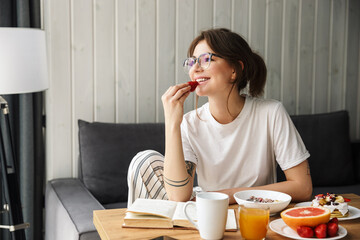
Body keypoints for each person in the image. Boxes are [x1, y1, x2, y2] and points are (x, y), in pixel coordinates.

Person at [127, 28, 312, 206]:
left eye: (206, 59)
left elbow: (302, 187)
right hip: (210, 215)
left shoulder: (271, 113)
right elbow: (178, 195)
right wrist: (172, 123)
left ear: (234, 70)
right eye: (192, 62)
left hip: (258, 214)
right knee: (143, 160)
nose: (196, 68)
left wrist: (226, 195)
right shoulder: (189, 123)